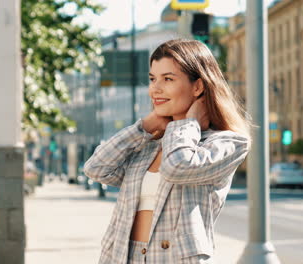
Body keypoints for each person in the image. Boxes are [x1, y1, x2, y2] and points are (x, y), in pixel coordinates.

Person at [84, 39, 252, 264]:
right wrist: (144, 126)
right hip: (123, 257)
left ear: (198, 87)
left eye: (168, 79)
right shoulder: (149, 142)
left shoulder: (227, 142)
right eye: (153, 79)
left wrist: (187, 125)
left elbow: (177, 167)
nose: (156, 88)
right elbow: (96, 168)